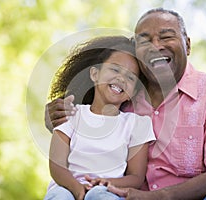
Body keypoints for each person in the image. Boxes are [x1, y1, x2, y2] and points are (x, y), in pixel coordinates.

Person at [45, 8, 206, 199]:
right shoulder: (123, 97)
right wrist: (54, 119)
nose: (156, 46)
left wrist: (159, 197)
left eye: (166, 36)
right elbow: (86, 125)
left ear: (187, 45)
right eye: (144, 41)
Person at [44, 36, 156, 200]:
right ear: (95, 74)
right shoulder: (71, 114)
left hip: (107, 189)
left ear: (132, 93)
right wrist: (77, 189)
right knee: (60, 196)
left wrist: (104, 183)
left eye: (130, 77)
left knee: (99, 196)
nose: (121, 78)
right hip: (67, 186)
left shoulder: (137, 124)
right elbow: (56, 165)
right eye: (115, 69)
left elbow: (136, 177)